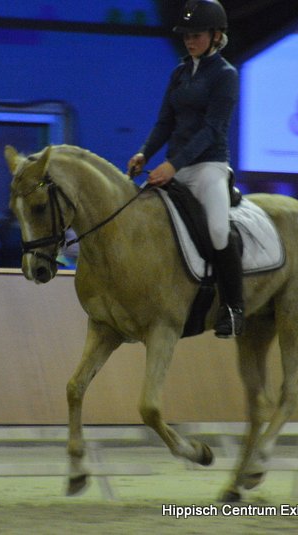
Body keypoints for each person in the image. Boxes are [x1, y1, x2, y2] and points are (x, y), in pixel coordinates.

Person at [127, 0, 242, 338]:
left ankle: (233, 308)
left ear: (216, 35)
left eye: (196, 35)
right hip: (174, 166)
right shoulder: (179, 73)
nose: (189, 41)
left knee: (218, 231)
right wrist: (144, 153)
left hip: (208, 166)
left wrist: (173, 164)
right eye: (186, 36)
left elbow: (212, 129)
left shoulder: (225, 75)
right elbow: (165, 121)